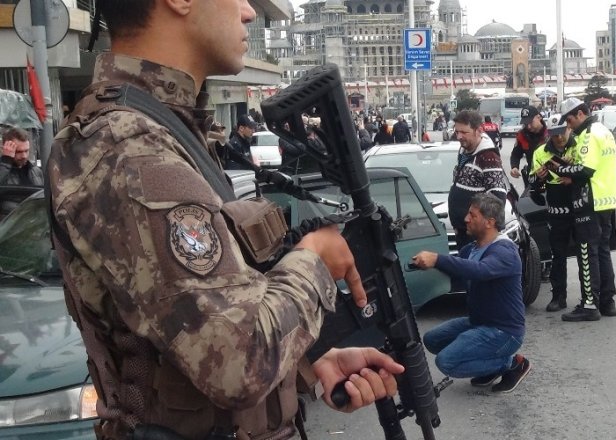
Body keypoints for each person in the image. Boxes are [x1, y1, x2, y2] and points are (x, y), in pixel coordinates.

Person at [45, 1, 403, 438]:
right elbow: (237, 363)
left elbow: (186, 333)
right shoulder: (131, 148)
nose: (250, 12)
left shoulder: (165, 131)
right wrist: (314, 258)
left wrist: (306, 367)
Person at [412, 193, 530, 393]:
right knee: (432, 340)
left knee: (446, 362)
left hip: (504, 331)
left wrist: (437, 259)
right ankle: (489, 366)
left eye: (472, 215)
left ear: (489, 222)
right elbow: (461, 269)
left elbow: (480, 271)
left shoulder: (505, 252)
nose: (466, 218)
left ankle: (511, 364)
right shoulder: (472, 249)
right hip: (479, 322)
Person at [556, 98, 616, 321]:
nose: (568, 124)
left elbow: (585, 169)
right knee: (602, 251)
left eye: (570, 119)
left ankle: (589, 304)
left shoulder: (589, 134)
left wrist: (563, 169)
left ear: (581, 114)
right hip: (606, 198)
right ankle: (607, 301)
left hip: (589, 200)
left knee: (586, 251)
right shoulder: (604, 130)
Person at [530, 125, 599, 316]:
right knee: (557, 255)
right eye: (554, 135)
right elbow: (533, 185)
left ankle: (590, 299)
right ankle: (558, 297)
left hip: (580, 207)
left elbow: (589, 172)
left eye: (562, 133)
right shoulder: (540, 152)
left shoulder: (581, 147)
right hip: (556, 209)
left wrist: (569, 171)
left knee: (584, 254)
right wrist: (538, 178)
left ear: (569, 129)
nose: (559, 138)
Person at [448, 109, 508, 250]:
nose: (459, 136)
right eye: (457, 132)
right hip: (463, 231)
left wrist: (481, 229)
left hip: (476, 236)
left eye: (464, 132)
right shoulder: (464, 151)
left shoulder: (488, 157)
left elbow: (497, 196)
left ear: (478, 131)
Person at [510, 106, 548, 190]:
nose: (529, 127)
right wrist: (514, 167)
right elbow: (516, 154)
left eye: (531, 122)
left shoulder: (550, 132)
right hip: (532, 178)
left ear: (539, 117)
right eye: (526, 124)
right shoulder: (522, 135)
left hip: (552, 178)